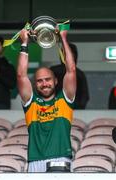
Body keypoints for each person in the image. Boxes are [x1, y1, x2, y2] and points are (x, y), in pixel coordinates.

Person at [17, 29, 76, 172]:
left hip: (61, 157)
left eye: (48, 79)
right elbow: (21, 75)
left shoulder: (65, 100)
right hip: (35, 161)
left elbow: (71, 70)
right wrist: (25, 43)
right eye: (39, 81)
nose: (44, 84)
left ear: (56, 81)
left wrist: (62, 38)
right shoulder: (31, 104)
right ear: (35, 84)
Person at [50, 43, 89, 109]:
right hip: (55, 109)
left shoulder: (79, 74)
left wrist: (78, 108)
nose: (67, 56)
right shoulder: (53, 71)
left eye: (69, 54)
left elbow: (84, 95)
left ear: (75, 56)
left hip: (74, 110)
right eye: (64, 54)